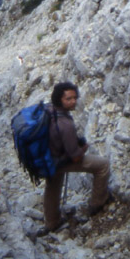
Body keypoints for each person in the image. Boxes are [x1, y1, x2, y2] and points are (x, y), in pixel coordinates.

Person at [43, 81, 111, 232]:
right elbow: (74, 157)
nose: (73, 101)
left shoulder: (48, 109)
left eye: (74, 98)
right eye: (69, 99)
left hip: (47, 159)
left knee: (52, 185)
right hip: (61, 160)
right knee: (103, 165)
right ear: (59, 99)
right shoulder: (65, 124)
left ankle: (51, 222)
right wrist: (84, 148)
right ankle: (97, 203)